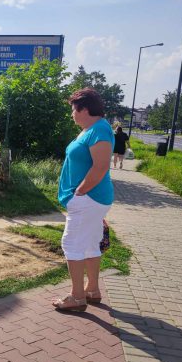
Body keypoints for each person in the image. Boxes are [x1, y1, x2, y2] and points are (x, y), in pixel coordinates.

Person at [53, 88, 114, 312]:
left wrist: (79, 192)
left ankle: (77, 296)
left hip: (87, 198)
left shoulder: (99, 129)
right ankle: (92, 290)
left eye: (73, 110)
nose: (72, 114)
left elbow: (101, 166)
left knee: (71, 244)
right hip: (90, 199)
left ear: (84, 109)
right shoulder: (92, 129)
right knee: (89, 244)